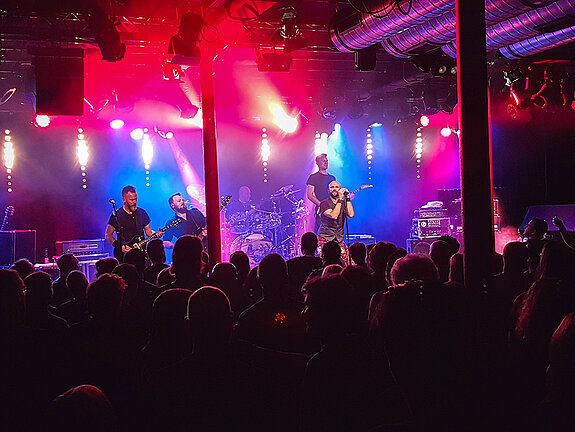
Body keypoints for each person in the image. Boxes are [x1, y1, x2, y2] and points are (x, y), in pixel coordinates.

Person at [105, 185, 156, 262]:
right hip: (123, 256)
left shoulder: (141, 213)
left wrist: (156, 234)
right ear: (124, 199)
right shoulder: (117, 215)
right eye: (131, 200)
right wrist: (119, 246)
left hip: (140, 255)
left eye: (135, 199)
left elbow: (149, 232)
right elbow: (108, 235)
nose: (134, 202)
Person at [317, 180, 354, 264]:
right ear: (328, 190)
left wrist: (347, 198)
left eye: (336, 187)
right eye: (332, 187)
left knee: (347, 263)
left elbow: (351, 214)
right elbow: (334, 215)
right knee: (325, 262)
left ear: (340, 189)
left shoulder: (343, 203)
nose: (334, 189)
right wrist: (340, 200)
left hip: (339, 238)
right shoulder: (324, 203)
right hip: (325, 238)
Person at [306, 153, 336, 233]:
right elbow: (310, 195)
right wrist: (322, 205)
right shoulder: (313, 177)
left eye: (327, 161)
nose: (326, 163)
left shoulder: (332, 178)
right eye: (323, 161)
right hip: (322, 210)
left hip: (333, 209)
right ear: (318, 163)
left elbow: (335, 194)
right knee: (322, 233)